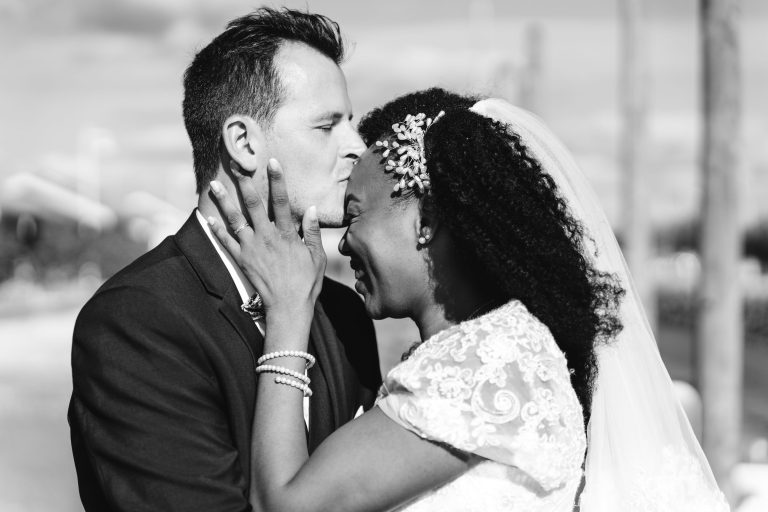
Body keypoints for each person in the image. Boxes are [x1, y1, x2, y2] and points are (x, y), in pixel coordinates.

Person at [209, 88, 731, 511]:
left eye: (355, 214)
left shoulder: (491, 360)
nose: (342, 242)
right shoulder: (494, 349)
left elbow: (288, 505)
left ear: (427, 222)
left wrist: (287, 311)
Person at [68, 8, 380, 511]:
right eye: (327, 126)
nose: (357, 148)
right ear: (242, 143)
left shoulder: (345, 313)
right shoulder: (137, 321)